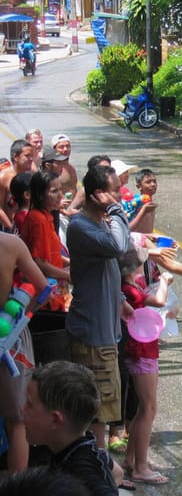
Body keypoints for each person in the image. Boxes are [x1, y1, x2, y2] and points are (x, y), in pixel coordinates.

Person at [65, 165, 132, 450]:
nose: (120, 195)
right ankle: (98, 472)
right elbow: (118, 247)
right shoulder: (81, 226)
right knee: (97, 412)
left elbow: (107, 266)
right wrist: (117, 211)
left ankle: (97, 469)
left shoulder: (100, 222)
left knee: (101, 409)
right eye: (115, 190)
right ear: (97, 195)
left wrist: (119, 300)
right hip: (93, 333)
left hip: (105, 330)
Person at [22, 361, 120, 495]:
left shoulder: (81, 472)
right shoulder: (83, 448)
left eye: (29, 404)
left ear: (55, 420)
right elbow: (117, 472)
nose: (22, 409)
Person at [118, 248, 171, 485]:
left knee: (142, 408)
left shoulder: (130, 288)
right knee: (149, 409)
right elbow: (159, 300)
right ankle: (140, 467)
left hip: (141, 350)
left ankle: (131, 459)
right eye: (141, 264)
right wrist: (165, 282)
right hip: (142, 353)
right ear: (132, 270)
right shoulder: (131, 291)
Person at [0, 233, 52, 474]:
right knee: (17, 422)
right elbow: (43, 289)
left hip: (9, 336)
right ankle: (17, 488)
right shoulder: (10, 244)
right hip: (8, 336)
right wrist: (22, 316)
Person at [19, 170, 71, 312]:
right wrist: (68, 276)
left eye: (60, 189)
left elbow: (50, 255)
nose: (60, 195)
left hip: (53, 288)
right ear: (40, 195)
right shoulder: (38, 220)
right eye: (54, 191)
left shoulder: (46, 216)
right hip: (43, 295)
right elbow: (40, 263)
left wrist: (71, 262)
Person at [0, 140, 35, 232]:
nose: (31, 159)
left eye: (32, 156)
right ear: (15, 157)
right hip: (9, 228)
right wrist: (11, 227)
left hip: (28, 226)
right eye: (27, 156)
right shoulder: (4, 178)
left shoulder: (31, 176)